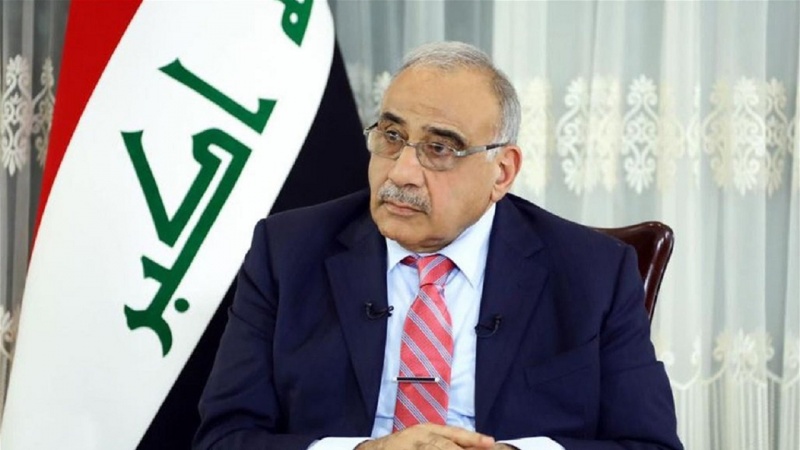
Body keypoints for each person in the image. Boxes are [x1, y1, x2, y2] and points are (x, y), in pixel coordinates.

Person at [193, 41, 683, 450]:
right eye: (391, 136)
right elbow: (223, 438)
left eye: (439, 148)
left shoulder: (593, 272)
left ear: (502, 172)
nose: (401, 172)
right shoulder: (287, 252)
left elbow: (650, 444)